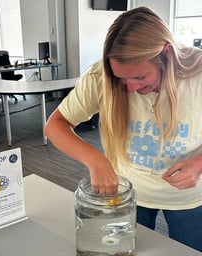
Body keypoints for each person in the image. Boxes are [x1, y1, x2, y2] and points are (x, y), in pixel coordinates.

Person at [44, 6, 202, 252]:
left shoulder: (198, 74)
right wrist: (95, 160)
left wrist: (199, 163)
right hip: (126, 193)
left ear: (166, 54)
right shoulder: (101, 77)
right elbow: (55, 126)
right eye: (121, 78)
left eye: (140, 77)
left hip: (189, 199)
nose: (129, 88)